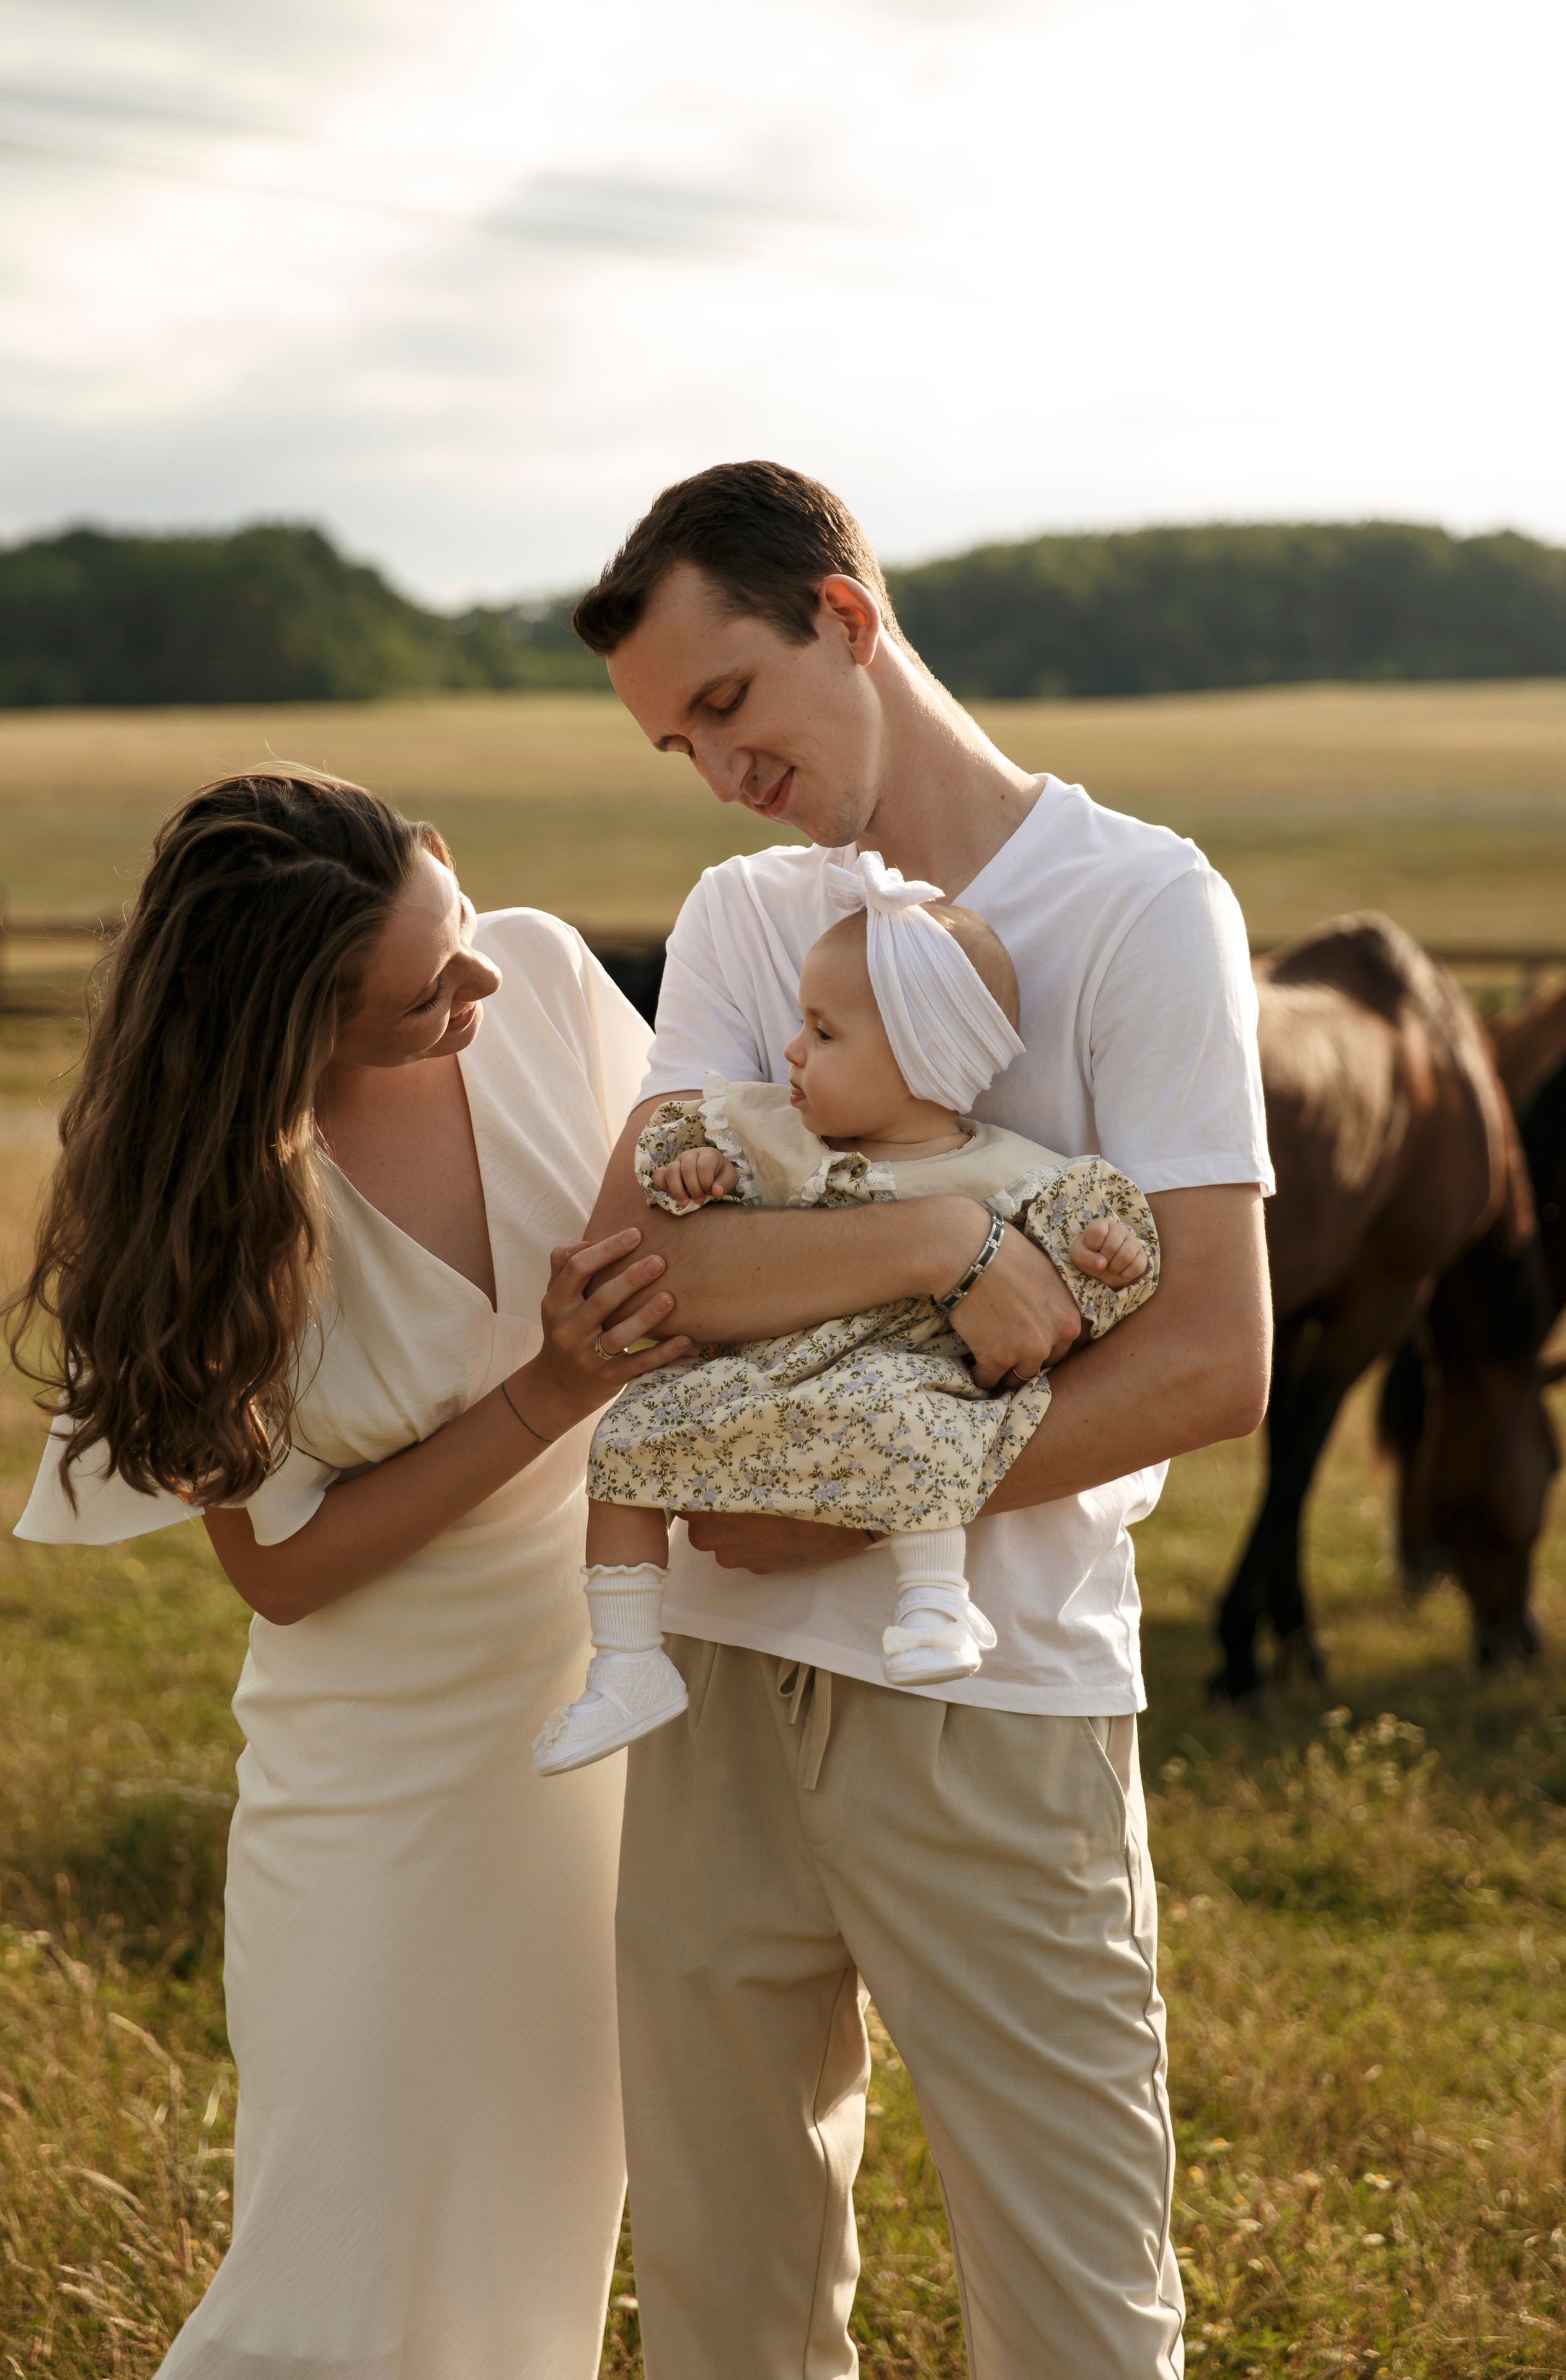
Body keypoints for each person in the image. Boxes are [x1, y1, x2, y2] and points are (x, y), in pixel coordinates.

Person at [568, 461, 1274, 2380]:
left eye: (728, 703)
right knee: (728, 2304)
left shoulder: (1138, 904)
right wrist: (955, 1237)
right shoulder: (739, 918)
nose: (719, 770)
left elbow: (1212, 1354)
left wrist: (867, 1497)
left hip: (999, 1692)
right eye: (672, 742)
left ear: (848, 620)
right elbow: (638, 1279)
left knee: (1073, 2305)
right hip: (708, 1683)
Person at [6, 772, 689, 2380]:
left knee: (535, 2240)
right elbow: (284, 1573)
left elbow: (709, 1225)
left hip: (605, 1731)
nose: (482, 988)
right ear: (286, 1025)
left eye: (454, 933)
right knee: (342, 2254)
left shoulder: (546, 993)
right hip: (382, 1784)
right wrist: (550, 1392)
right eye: (416, 995)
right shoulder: (224, 1206)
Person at [534, 856, 1156, 1774]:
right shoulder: (775, 1135)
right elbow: (678, 1188)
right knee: (630, 1439)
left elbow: (1089, 1259)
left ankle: (937, 1600)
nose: (790, 1052)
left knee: (927, 1426)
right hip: (765, 1378)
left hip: (901, 1374)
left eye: (822, 1033)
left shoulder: (1000, 1167)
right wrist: (694, 1177)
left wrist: (1113, 1253)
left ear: (924, 1060)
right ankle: (627, 1662)